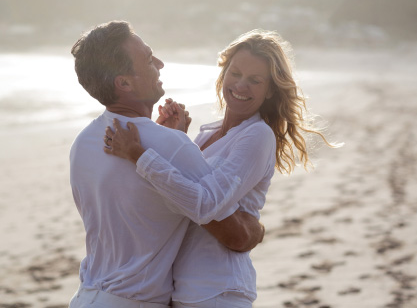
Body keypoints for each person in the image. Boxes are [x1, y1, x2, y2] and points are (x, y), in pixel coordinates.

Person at [104, 29, 341, 307]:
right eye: (236, 73)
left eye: (255, 80)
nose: (241, 86)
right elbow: (181, 194)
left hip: (218, 289)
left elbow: (205, 204)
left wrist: (138, 154)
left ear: (270, 91)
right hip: (182, 287)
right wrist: (176, 137)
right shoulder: (207, 135)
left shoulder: (257, 136)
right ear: (223, 73)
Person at [68, 20, 266, 308]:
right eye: (149, 59)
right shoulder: (170, 146)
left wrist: (170, 139)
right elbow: (233, 234)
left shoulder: (83, 142)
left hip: (87, 296)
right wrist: (257, 229)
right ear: (124, 82)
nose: (159, 64)